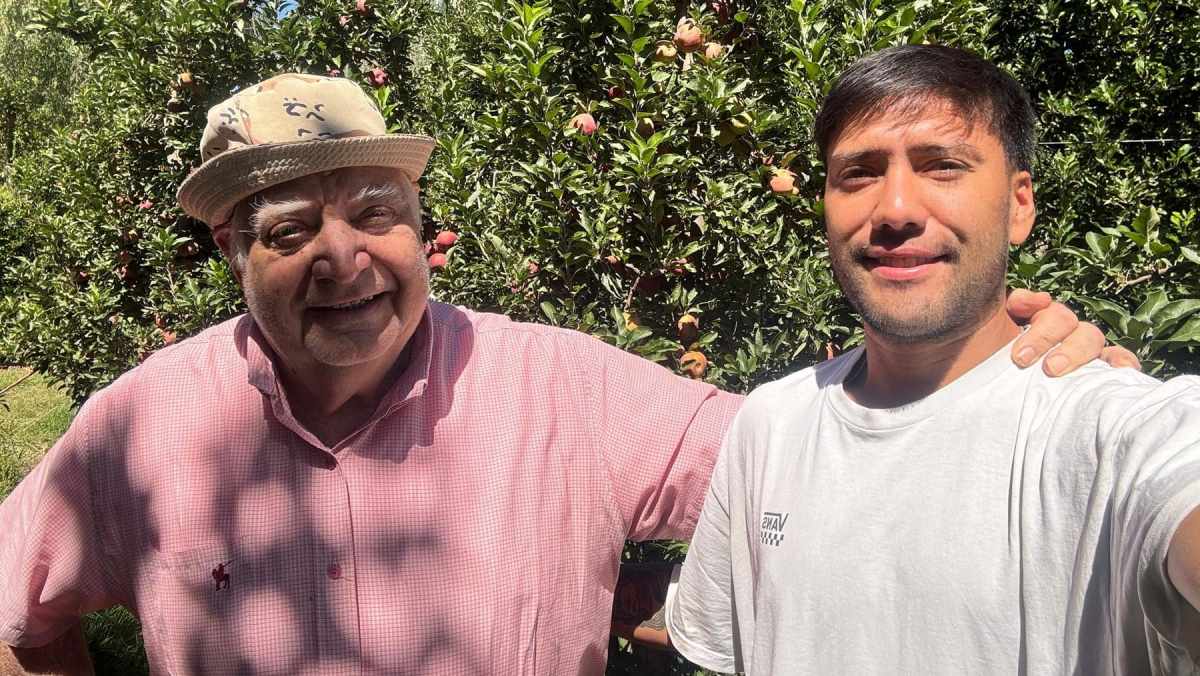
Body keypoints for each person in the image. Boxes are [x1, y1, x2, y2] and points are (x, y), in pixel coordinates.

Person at [0, 73, 1121, 675]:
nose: (345, 259)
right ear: (232, 253)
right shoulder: (142, 426)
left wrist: (988, 372)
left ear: (423, 226)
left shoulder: (567, 389)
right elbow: (15, 610)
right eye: (291, 230)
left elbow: (829, 459)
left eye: (378, 214)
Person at [666, 44, 1200, 675]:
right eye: (859, 172)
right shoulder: (770, 424)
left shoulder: (1114, 429)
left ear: (1019, 205)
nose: (895, 210)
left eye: (943, 166)